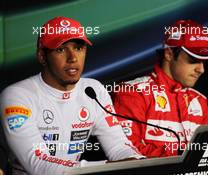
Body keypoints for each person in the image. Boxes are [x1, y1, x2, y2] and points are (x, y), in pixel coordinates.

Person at [0, 16, 143, 175]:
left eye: (78, 48)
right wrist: (108, 165)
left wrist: (137, 161)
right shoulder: (17, 96)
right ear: (42, 56)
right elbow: (38, 164)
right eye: (61, 49)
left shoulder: (94, 90)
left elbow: (118, 146)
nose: (73, 58)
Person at [113, 19, 208, 158]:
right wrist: (180, 156)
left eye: (204, 61)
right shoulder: (134, 93)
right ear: (169, 54)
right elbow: (127, 152)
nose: (201, 69)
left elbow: (203, 157)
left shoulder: (200, 101)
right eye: (193, 60)